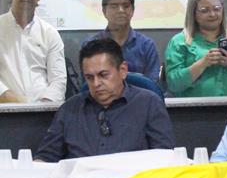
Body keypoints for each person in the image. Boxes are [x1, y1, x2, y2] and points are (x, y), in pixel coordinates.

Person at [35, 38, 175, 162]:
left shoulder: (149, 104)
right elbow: (46, 158)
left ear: (123, 70)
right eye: (89, 77)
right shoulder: (69, 109)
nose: (96, 83)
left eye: (103, 75)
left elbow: (165, 159)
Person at [0, 0, 66, 103]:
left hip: (43, 116)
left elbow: (58, 81)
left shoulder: (50, 34)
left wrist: (41, 109)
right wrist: (17, 102)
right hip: (4, 114)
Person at [85, 0, 160, 82]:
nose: (121, 10)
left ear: (132, 10)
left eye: (126, 6)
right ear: (104, 11)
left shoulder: (146, 46)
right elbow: (88, 85)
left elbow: (152, 86)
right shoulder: (91, 45)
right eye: (114, 6)